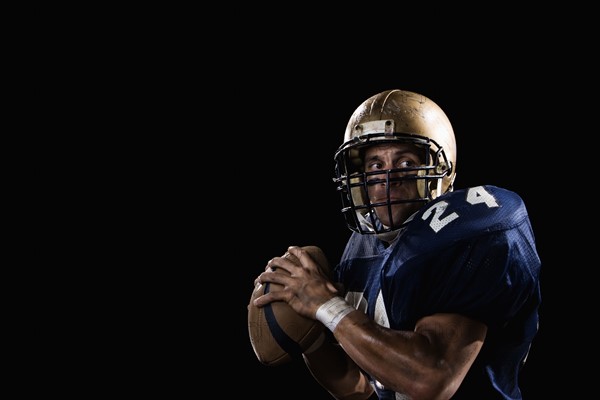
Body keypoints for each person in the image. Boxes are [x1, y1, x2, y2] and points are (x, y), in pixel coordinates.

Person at [252, 89, 542, 400]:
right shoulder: (360, 250)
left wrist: (326, 305)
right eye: (375, 165)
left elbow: (433, 379)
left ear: (438, 174)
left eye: (405, 162)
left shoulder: (466, 235)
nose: (389, 178)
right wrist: (312, 336)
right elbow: (358, 386)